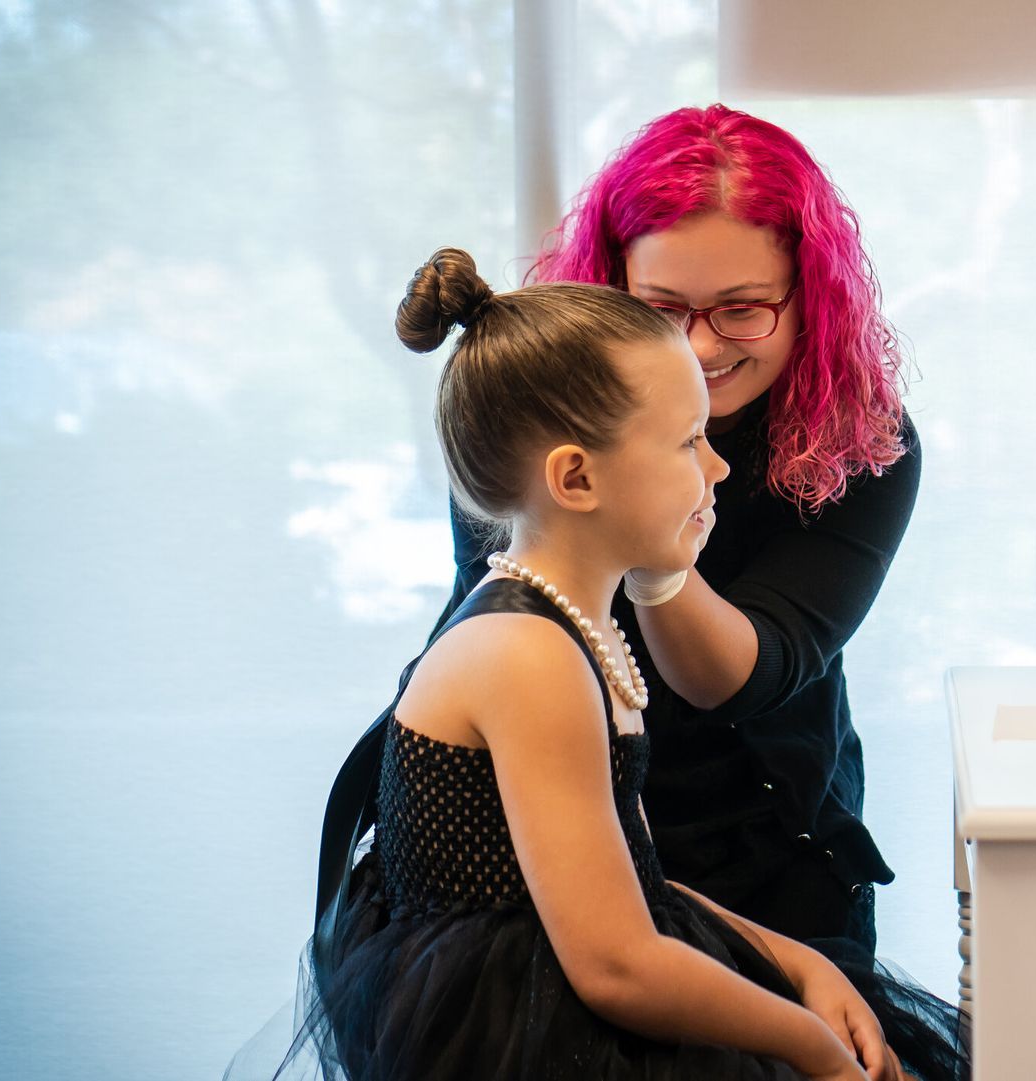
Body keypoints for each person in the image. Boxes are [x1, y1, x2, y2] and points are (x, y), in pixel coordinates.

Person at [244, 249, 965, 1081]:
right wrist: (812, 1046)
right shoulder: (524, 655)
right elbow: (617, 964)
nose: (718, 467)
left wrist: (802, 964)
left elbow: (632, 872)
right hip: (523, 1030)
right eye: (688, 442)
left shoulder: (574, 625)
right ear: (576, 477)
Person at [423, 104, 921, 955]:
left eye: (741, 309)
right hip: (548, 832)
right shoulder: (540, 419)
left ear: (810, 299)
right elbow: (519, 629)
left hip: (767, 843)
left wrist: (657, 556)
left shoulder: (864, 440)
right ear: (610, 285)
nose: (696, 345)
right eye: (659, 307)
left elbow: (742, 676)